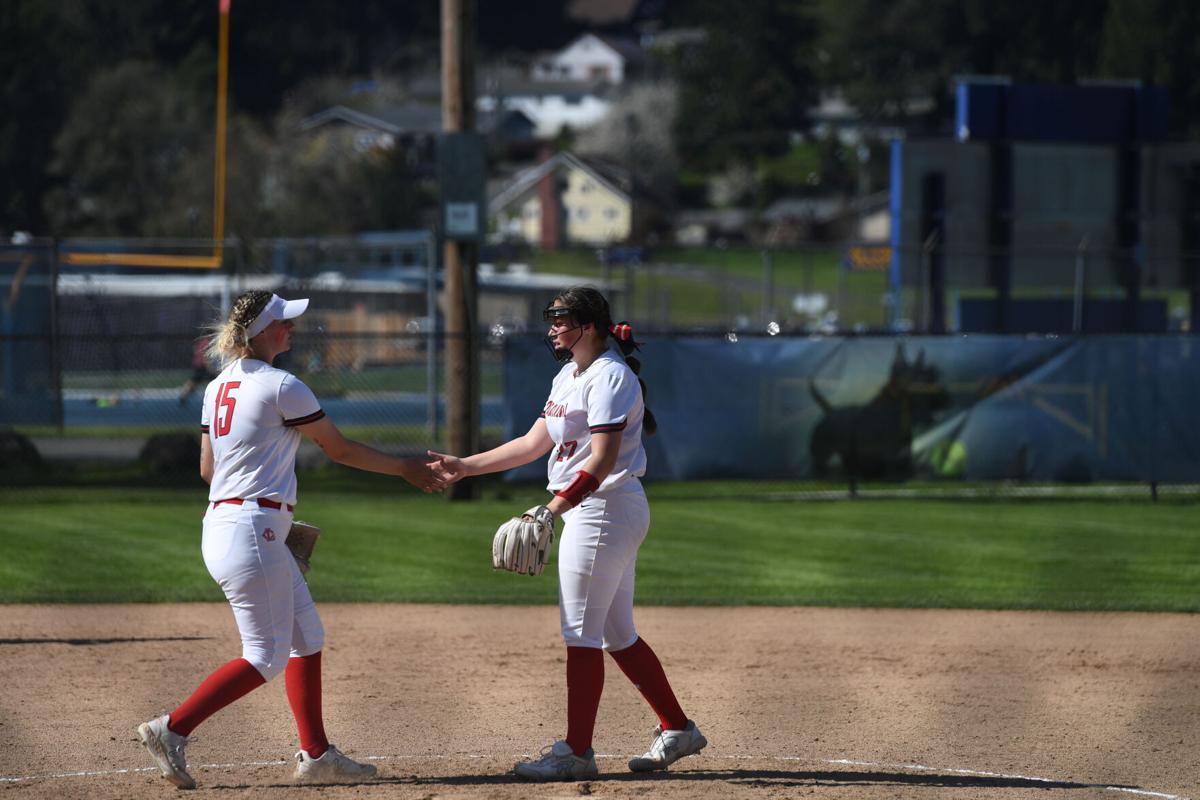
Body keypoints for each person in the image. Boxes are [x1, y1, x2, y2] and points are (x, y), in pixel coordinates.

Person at [137, 290, 447, 789]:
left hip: (229, 524)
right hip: (252, 530)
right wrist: (406, 468)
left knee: (308, 638)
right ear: (260, 332)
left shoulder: (217, 386)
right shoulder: (283, 385)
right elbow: (340, 450)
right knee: (264, 655)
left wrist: (264, 516)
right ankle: (171, 729)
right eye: (283, 321)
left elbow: (207, 469)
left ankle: (317, 755)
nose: (292, 328)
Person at [428, 286, 706, 782]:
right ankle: (678, 729)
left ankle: (577, 751)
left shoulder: (611, 377)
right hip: (597, 509)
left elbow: (599, 462)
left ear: (591, 326)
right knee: (617, 633)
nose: (553, 326)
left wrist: (552, 511)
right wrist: (465, 467)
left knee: (580, 633)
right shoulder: (569, 374)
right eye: (551, 318)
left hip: (602, 509)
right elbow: (533, 442)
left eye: (562, 318)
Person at [178, 334, 216, 406]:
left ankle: (183, 396)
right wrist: (210, 368)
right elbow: (206, 357)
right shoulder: (207, 343)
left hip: (198, 365)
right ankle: (183, 396)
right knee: (197, 381)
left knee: (194, 382)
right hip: (202, 366)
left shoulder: (201, 342)